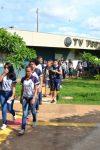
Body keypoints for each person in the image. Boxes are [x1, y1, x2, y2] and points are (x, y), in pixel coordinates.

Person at [18, 65, 38, 135]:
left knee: (33, 111)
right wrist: (21, 97)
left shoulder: (34, 78)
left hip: (32, 97)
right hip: (25, 98)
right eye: (26, 71)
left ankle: (35, 120)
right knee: (24, 114)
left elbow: (36, 89)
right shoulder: (23, 79)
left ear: (32, 71)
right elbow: (22, 88)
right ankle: (23, 129)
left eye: (29, 71)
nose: (27, 72)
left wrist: (33, 98)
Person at [0, 62, 16, 130]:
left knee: (9, 109)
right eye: (5, 67)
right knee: (3, 109)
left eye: (7, 68)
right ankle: (4, 123)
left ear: (10, 68)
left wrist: (13, 95)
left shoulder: (13, 75)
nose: (6, 69)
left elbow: (14, 87)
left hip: (10, 93)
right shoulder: (3, 74)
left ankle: (14, 114)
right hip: (2, 93)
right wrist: (4, 73)